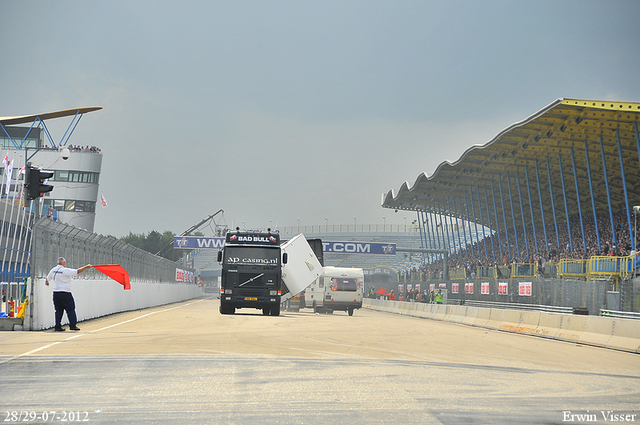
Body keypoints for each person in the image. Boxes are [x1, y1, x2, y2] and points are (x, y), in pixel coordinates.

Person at [45, 257, 93, 331]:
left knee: (58, 310)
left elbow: (47, 279)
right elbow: (78, 271)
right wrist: (86, 267)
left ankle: (57, 326)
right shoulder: (65, 270)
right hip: (65, 292)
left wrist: (47, 282)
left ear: (58, 263)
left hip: (56, 292)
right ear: (64, 263)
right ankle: (72, 325)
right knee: (70, 309)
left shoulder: (53, 270)